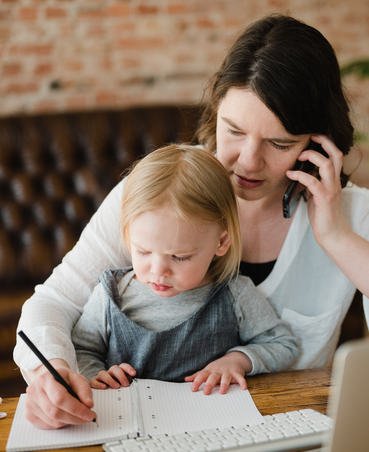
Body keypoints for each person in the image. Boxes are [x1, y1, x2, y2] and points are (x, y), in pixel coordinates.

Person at [14, 13, 369, 430]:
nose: (247, 162)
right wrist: (50, 373)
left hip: (286, 439)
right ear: (215, 113)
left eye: (278, 142)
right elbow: (51, 304)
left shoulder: (349, 214)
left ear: (318, 143)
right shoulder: (168, 189)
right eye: (233, 131)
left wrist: (334, 236)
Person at [71, 144, 298, 397]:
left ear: (221, 243)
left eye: (179, 257)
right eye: (143, 251)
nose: (158, 270)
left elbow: (282, 344)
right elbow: (81, 350)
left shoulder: (236, 293)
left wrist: (238, 360)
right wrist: (95, 375)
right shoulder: (109, 296)